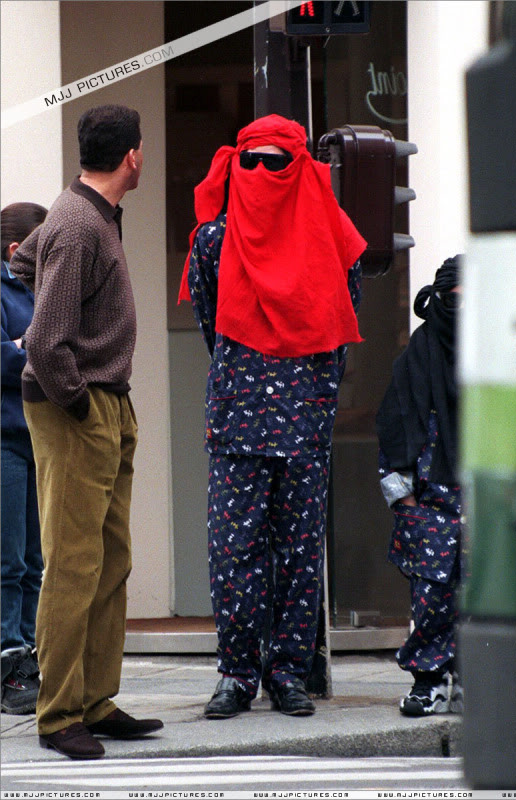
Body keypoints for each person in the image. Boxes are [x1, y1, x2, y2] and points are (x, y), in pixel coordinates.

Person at [179, 114, 367, 720]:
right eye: (250, 161)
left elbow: (342, 317)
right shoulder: (213, 241)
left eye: (275, 161)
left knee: (298, 550)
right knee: (234, 552)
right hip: (238, 418)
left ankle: (287, 671)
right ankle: (235, 673)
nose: (261, 172)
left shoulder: (333, 238)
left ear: (300, 166)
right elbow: (214, 323)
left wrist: (307, 385)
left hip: (305, 420)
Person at [10, 104, 163, 760]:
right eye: (142, 148)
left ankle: (95, 700)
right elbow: (46, 339)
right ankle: (59, 713)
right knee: (72, 566)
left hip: (104, 401)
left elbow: (23, 272)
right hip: (78, 407)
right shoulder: (77, 224)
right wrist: (77, 403)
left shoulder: (77, 218)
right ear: (131, 155)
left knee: (110, 558)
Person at [375, 256, 464, 717]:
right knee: (430, 599)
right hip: (428, 501)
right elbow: (392, 430)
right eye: (456, 303)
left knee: (482, 597)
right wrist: (406, 502)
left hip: (483, 501)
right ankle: (428, 682)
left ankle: (472, 681)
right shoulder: (416, 358)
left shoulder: (499, 359)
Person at [1, 202, 47, 715]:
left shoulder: (40, 289)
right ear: (16, 250)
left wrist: (22, 347)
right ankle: (8, 665)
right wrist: (29, 348)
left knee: (36, 561)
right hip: (6, 439)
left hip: (39, 436)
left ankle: (31, 657)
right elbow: (10, 357)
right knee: (8, 562)